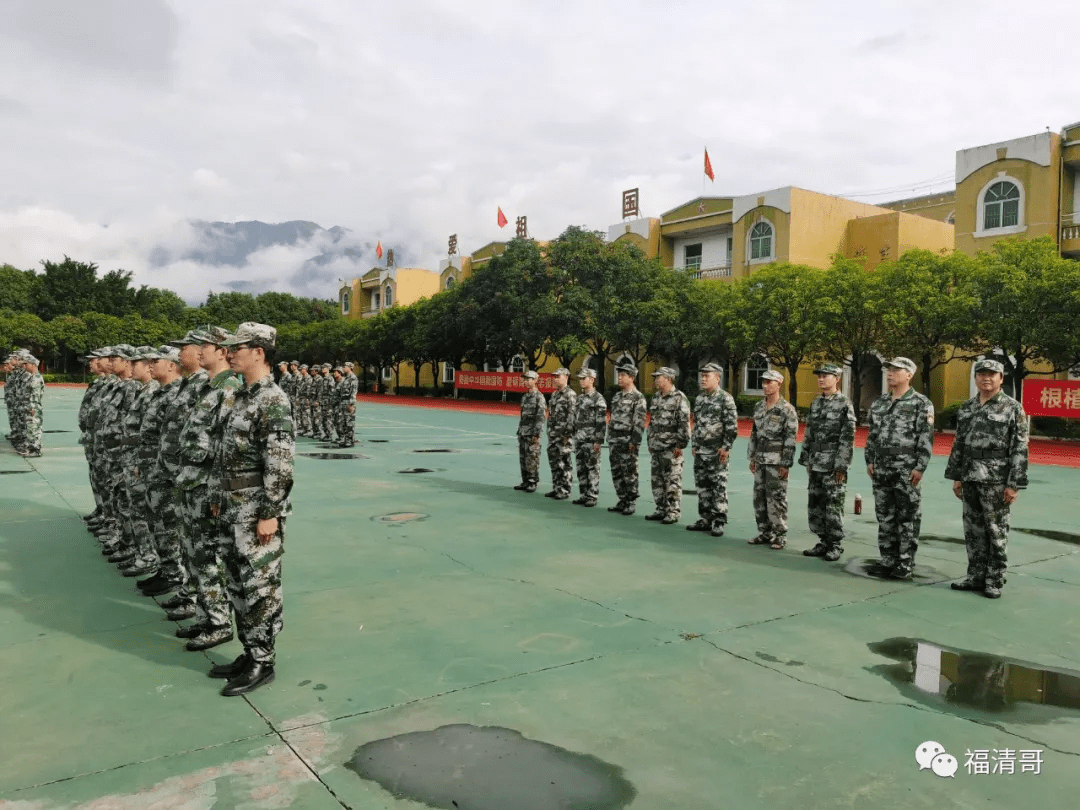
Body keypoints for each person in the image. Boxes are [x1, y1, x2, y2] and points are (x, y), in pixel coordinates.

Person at [212, 322, 295, 696]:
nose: (229, 353)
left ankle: (263, 660)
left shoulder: (272, 399)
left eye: (237, 347)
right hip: (232, 508)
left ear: (258, 352)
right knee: (236, 583)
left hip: (255, 512)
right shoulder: (241, 396)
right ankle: (249, 651)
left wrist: (269, 513)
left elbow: (278, 463)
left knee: (260, 587)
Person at [175, 327, 242, 650]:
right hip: (190, 481)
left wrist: (217, 492)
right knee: (192, 554)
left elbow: (227, 448)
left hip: (206, 488)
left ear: (221, 352)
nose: (199, 351)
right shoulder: (207, 387)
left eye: (206, 346)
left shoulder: (228, 389)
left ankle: (218, 623)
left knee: (206, 557)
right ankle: (205, 616)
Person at [945, 359, 1029, 598]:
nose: (986, 378)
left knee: (996, 530)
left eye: (992, 375)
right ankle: (975, 576)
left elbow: (1020, 447)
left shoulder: (1012, 408)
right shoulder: (968, 407)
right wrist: (957, 476)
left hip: (996, 478)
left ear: (1001, 379)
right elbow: (959, 443)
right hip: (970, 475)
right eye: (981, 374)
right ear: (976, 379)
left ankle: (994, 580)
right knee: (973, 530)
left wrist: (1014, 484)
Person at [864, 357, 935, 580]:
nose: (890, 373)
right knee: (885, 516)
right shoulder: (880, 403)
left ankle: (905, 563)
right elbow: (872, 435)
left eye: (896, 370)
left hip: (906, 469)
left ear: (909, 375)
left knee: (907, 517)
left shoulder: (921, 403)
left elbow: (925, 438)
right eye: (889, 369)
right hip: (882, 468)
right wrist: (870, 460)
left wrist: (920, 466)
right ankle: (887, 560)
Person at [799, 363, 856, 562]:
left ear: (837, 378)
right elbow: (809, 432)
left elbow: (847, 437)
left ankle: (835, 544)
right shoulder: (816, 403)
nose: (821, 379)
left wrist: (841, 465)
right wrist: (805, 457)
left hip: (832, 464)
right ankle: (823, 540)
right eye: (819, 376)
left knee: (833, 505)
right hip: (815, 462)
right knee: (816, 504)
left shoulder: (844, 404)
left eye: (826, 375)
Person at [747, 370, 798, 549]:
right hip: (760, 459)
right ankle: (765, 532)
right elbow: (754, 434)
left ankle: (780, 534)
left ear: (779, 384)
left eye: (769, 382)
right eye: (763, 382)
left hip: (776, 462)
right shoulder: (759, 408)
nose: (765, 386)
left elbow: (790, 439)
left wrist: (786, 463)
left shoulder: (787, 410)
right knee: (759, 497)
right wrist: (752, 456)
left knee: (776, 498)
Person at [688, 363, 738, 537]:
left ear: (717, 378)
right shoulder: (700, 398)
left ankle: (718, 520)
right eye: (702, 376)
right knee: (702, 486)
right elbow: (696, 423)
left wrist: (726, 447)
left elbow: (731, 426)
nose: (703, 379)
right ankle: (705, 518)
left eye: (707, 376)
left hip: (717, 451)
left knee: (718, 486)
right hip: (701, 450)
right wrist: (694, 444)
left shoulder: (725, 398)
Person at [645, 367, 690, 525]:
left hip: (671, 447)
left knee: (672, 481)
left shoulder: (679, 398)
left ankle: (673, 511)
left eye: (659, 377)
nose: (657, 380)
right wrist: (650, 441)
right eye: (656, 377)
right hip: (656, 445)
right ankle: (660, 508)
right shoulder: (656, 397)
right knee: (657, 480)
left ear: (669, 379)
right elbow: (651, 422)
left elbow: (684, 423)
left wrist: (680, 444)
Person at [606, 363, 647, 515]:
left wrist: (634, 442)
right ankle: (622, 499)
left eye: (623, 375)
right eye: (619, 375)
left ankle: (631, 501)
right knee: (616, 472)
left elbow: (639, 422)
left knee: (629, 472)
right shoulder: (616, 397)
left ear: (631, 378)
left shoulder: (638, 398)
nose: (620, 378)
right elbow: (612, 418)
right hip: (614, 441)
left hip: (627, 441)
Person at [572, 368, 607, 507]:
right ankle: (583, 494)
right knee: (581, 468)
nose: (581, 381)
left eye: (583, 378)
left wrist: (598, 440)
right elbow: (576, 419)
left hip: (591, 440)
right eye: (580, 378)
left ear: (592, 380)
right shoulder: (580, 398)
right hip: (580, 439)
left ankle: (592, 495)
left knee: (592, 468)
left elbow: (601, 421)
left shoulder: (598, 398)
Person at [545, 368, 577, 500]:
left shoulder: (570, 395)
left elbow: (572, 417)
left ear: (566, 377)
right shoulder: (555, 395)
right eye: (554, 377)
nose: (555, 379)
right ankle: (557, 487)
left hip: (563, 436)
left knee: (564, 463)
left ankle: (564, 489)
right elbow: (551, 415)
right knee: (555, 463)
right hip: (553, 435)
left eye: (558, 376)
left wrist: (567, 435)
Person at [514, 370, 545, 493]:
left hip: (532, 433)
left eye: (529, 379)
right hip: (523, 432)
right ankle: (525, 480)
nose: (526, 381)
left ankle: (532, 481)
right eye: (525, 379)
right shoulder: (525, 396)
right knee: (523, 457)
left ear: (535, 380)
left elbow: (540, 417)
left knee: (532, 458)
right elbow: (522, 416)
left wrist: (536, 434)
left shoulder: (539, 397)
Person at [19, 354, 45, 458]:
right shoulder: (32, 377)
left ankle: (36, 449)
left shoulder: (37, 378)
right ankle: (31, 448)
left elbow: (35, 395)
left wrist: (32, 407)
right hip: (30, 406)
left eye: (27, 364)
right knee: (30, 428)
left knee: (35, 428)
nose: (25, 366)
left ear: (33, 364)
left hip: (34, 406)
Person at [338, 362, 359, 447]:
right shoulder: (345, 378)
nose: (344, 368)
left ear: (350, 367)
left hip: (348, 402)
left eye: (345, 367)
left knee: (349, 422)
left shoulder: (353, 378)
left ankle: (350, 440)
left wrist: (351, 404)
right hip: (343, 402)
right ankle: (345, 439)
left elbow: (353, 392)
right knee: (343, 422)